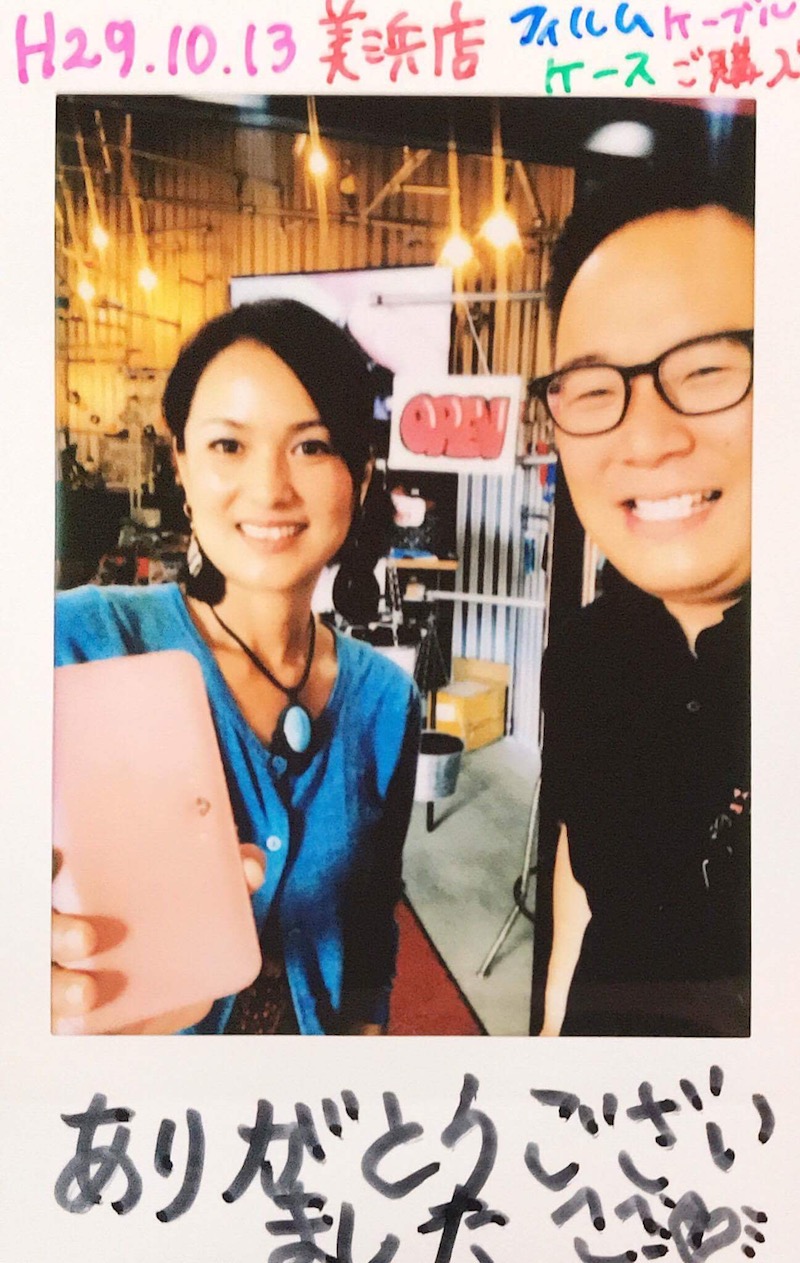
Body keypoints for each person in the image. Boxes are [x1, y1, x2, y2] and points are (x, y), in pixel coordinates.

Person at [53, 298, 421, 1036]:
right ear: (182, 466)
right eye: (228, 445)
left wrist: (367, 1039)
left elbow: (371, 924)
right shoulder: (81, 642)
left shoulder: (386, 701)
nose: (270, 489)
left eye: (312, 446)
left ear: (360, 473)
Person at [529, 170, 753, 1037]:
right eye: (594, 390)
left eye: (707, 370)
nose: (649, 438)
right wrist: (550, 1045)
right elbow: (584, 882)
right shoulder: (588, 654)